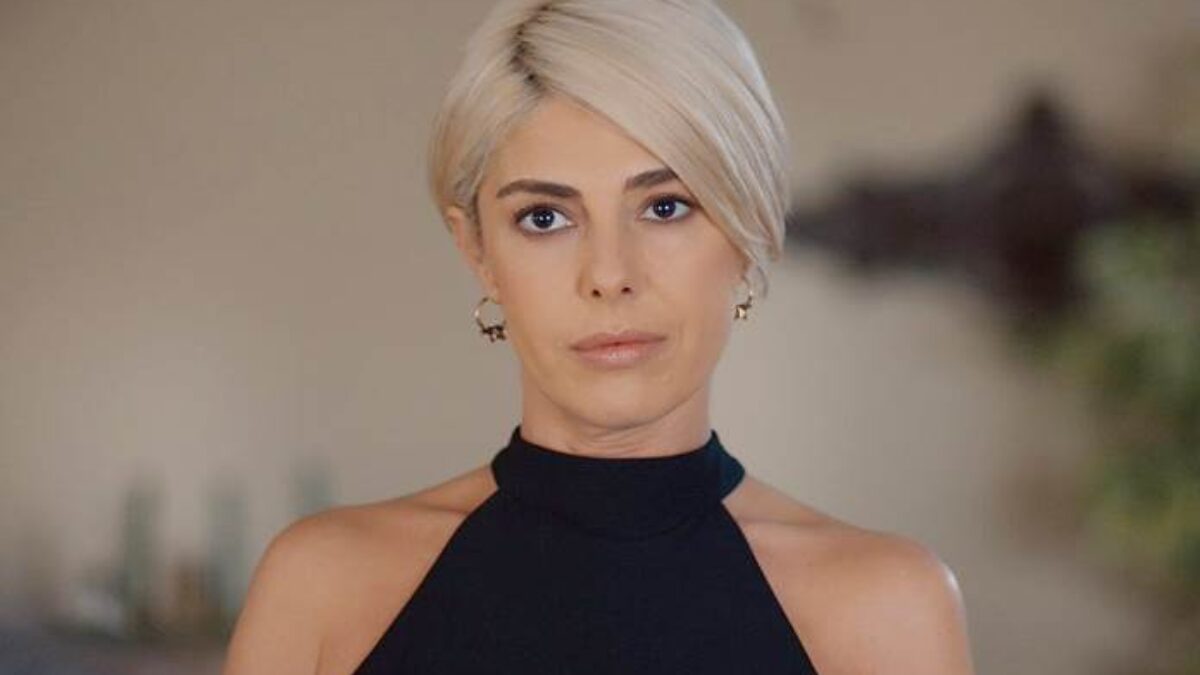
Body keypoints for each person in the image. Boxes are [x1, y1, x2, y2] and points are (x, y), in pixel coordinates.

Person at [222, 0, 976, 673]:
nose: (609, 275)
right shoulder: (321, 587)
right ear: (477, 250)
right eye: (545, 218)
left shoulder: (889, 608)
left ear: (746, 231)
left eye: (666, 206)